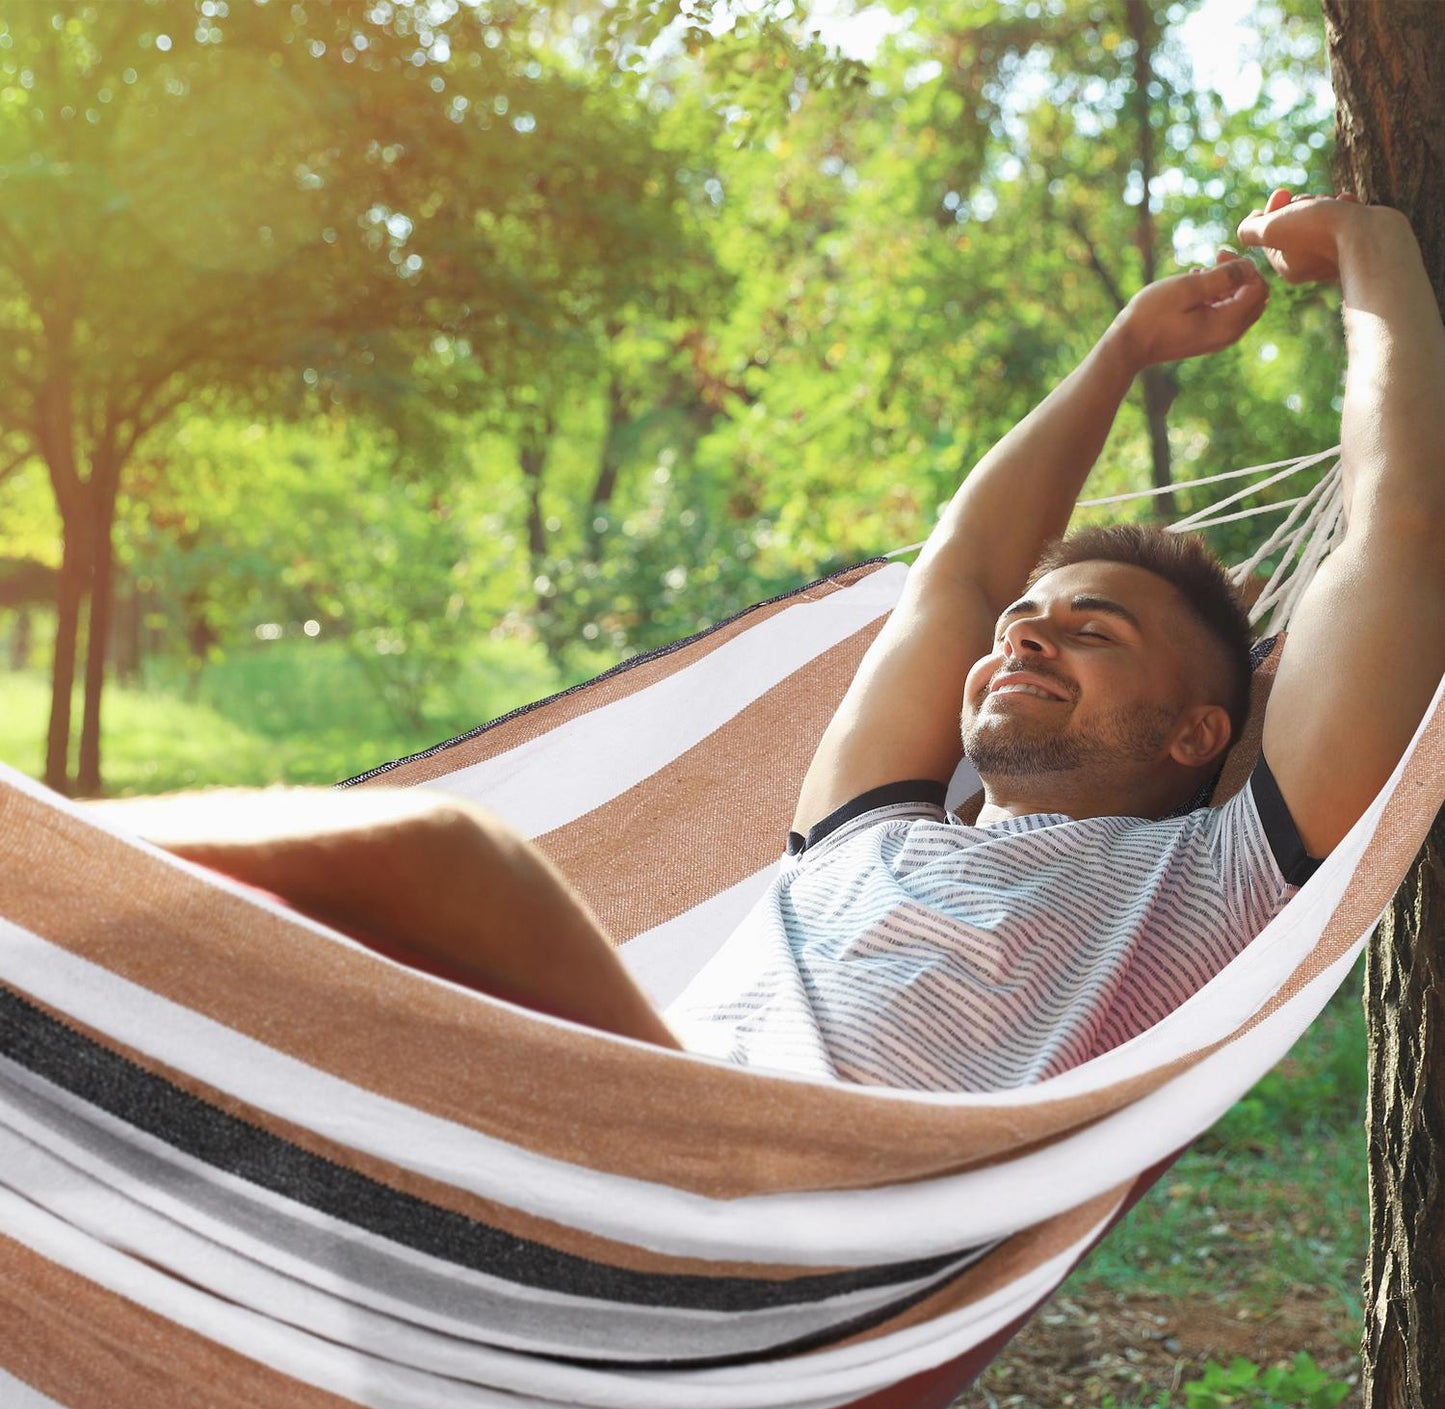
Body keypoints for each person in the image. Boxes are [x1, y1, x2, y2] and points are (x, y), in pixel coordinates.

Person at [93, 191, 1445, 1086]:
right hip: (599, 1126)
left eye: (1088, 630)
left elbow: (1400, 534)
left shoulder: (1208, 882)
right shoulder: (864, 829)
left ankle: (47, 883)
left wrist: (1371, 247)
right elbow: (962, 569)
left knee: (437, 855)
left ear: (1196, 732)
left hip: (759, 1217)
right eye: (1021, 623)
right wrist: (1111, 357)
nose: (1023, 633)